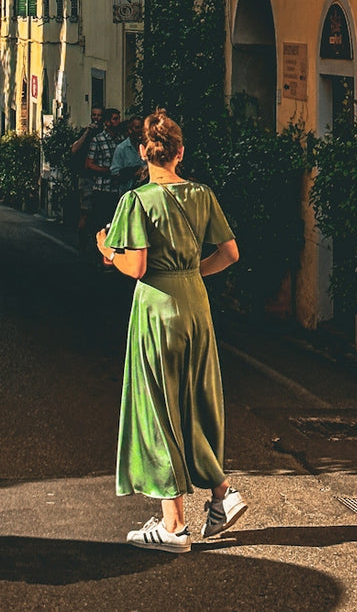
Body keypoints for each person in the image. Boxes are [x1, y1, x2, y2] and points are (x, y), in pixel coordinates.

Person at [97, 109, 246, 553]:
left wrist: (107, 250)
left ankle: (174, 524)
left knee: (156, 407)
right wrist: (192, 272)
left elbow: (136, 264)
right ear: (180, 153)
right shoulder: (202, 194)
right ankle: (221, 494)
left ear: (144, 152)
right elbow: (230, 253)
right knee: (194, 403)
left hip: (157, 308)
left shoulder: (137, 200)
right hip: (196, 305)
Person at [85, 108, 123, 242]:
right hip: (102, 188)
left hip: (117, 189)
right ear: (107, 122)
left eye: (118, 118)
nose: (118, 122)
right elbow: (89, 164)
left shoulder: (121, 140)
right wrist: (107, 170)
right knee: (100, 224)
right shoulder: (98, 140)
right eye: (115, 119)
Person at [72, 106, 102, 249]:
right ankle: (82, 240)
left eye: (99, 115)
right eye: (94, 115)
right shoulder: (86, 131)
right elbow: (74, 149)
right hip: (86, 177)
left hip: (100, 179)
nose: (96, 118)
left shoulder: (104, 134)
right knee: (86, 211)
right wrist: (87, 132)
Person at [110, 114, 147, 194]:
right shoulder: (122, 148)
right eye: (137, 128)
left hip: (145, 192)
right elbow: (114, 172)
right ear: (130, 130)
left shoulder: (148, 147)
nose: (140, 131)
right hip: (128, 193)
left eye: (142, 128)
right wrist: (132, 172)